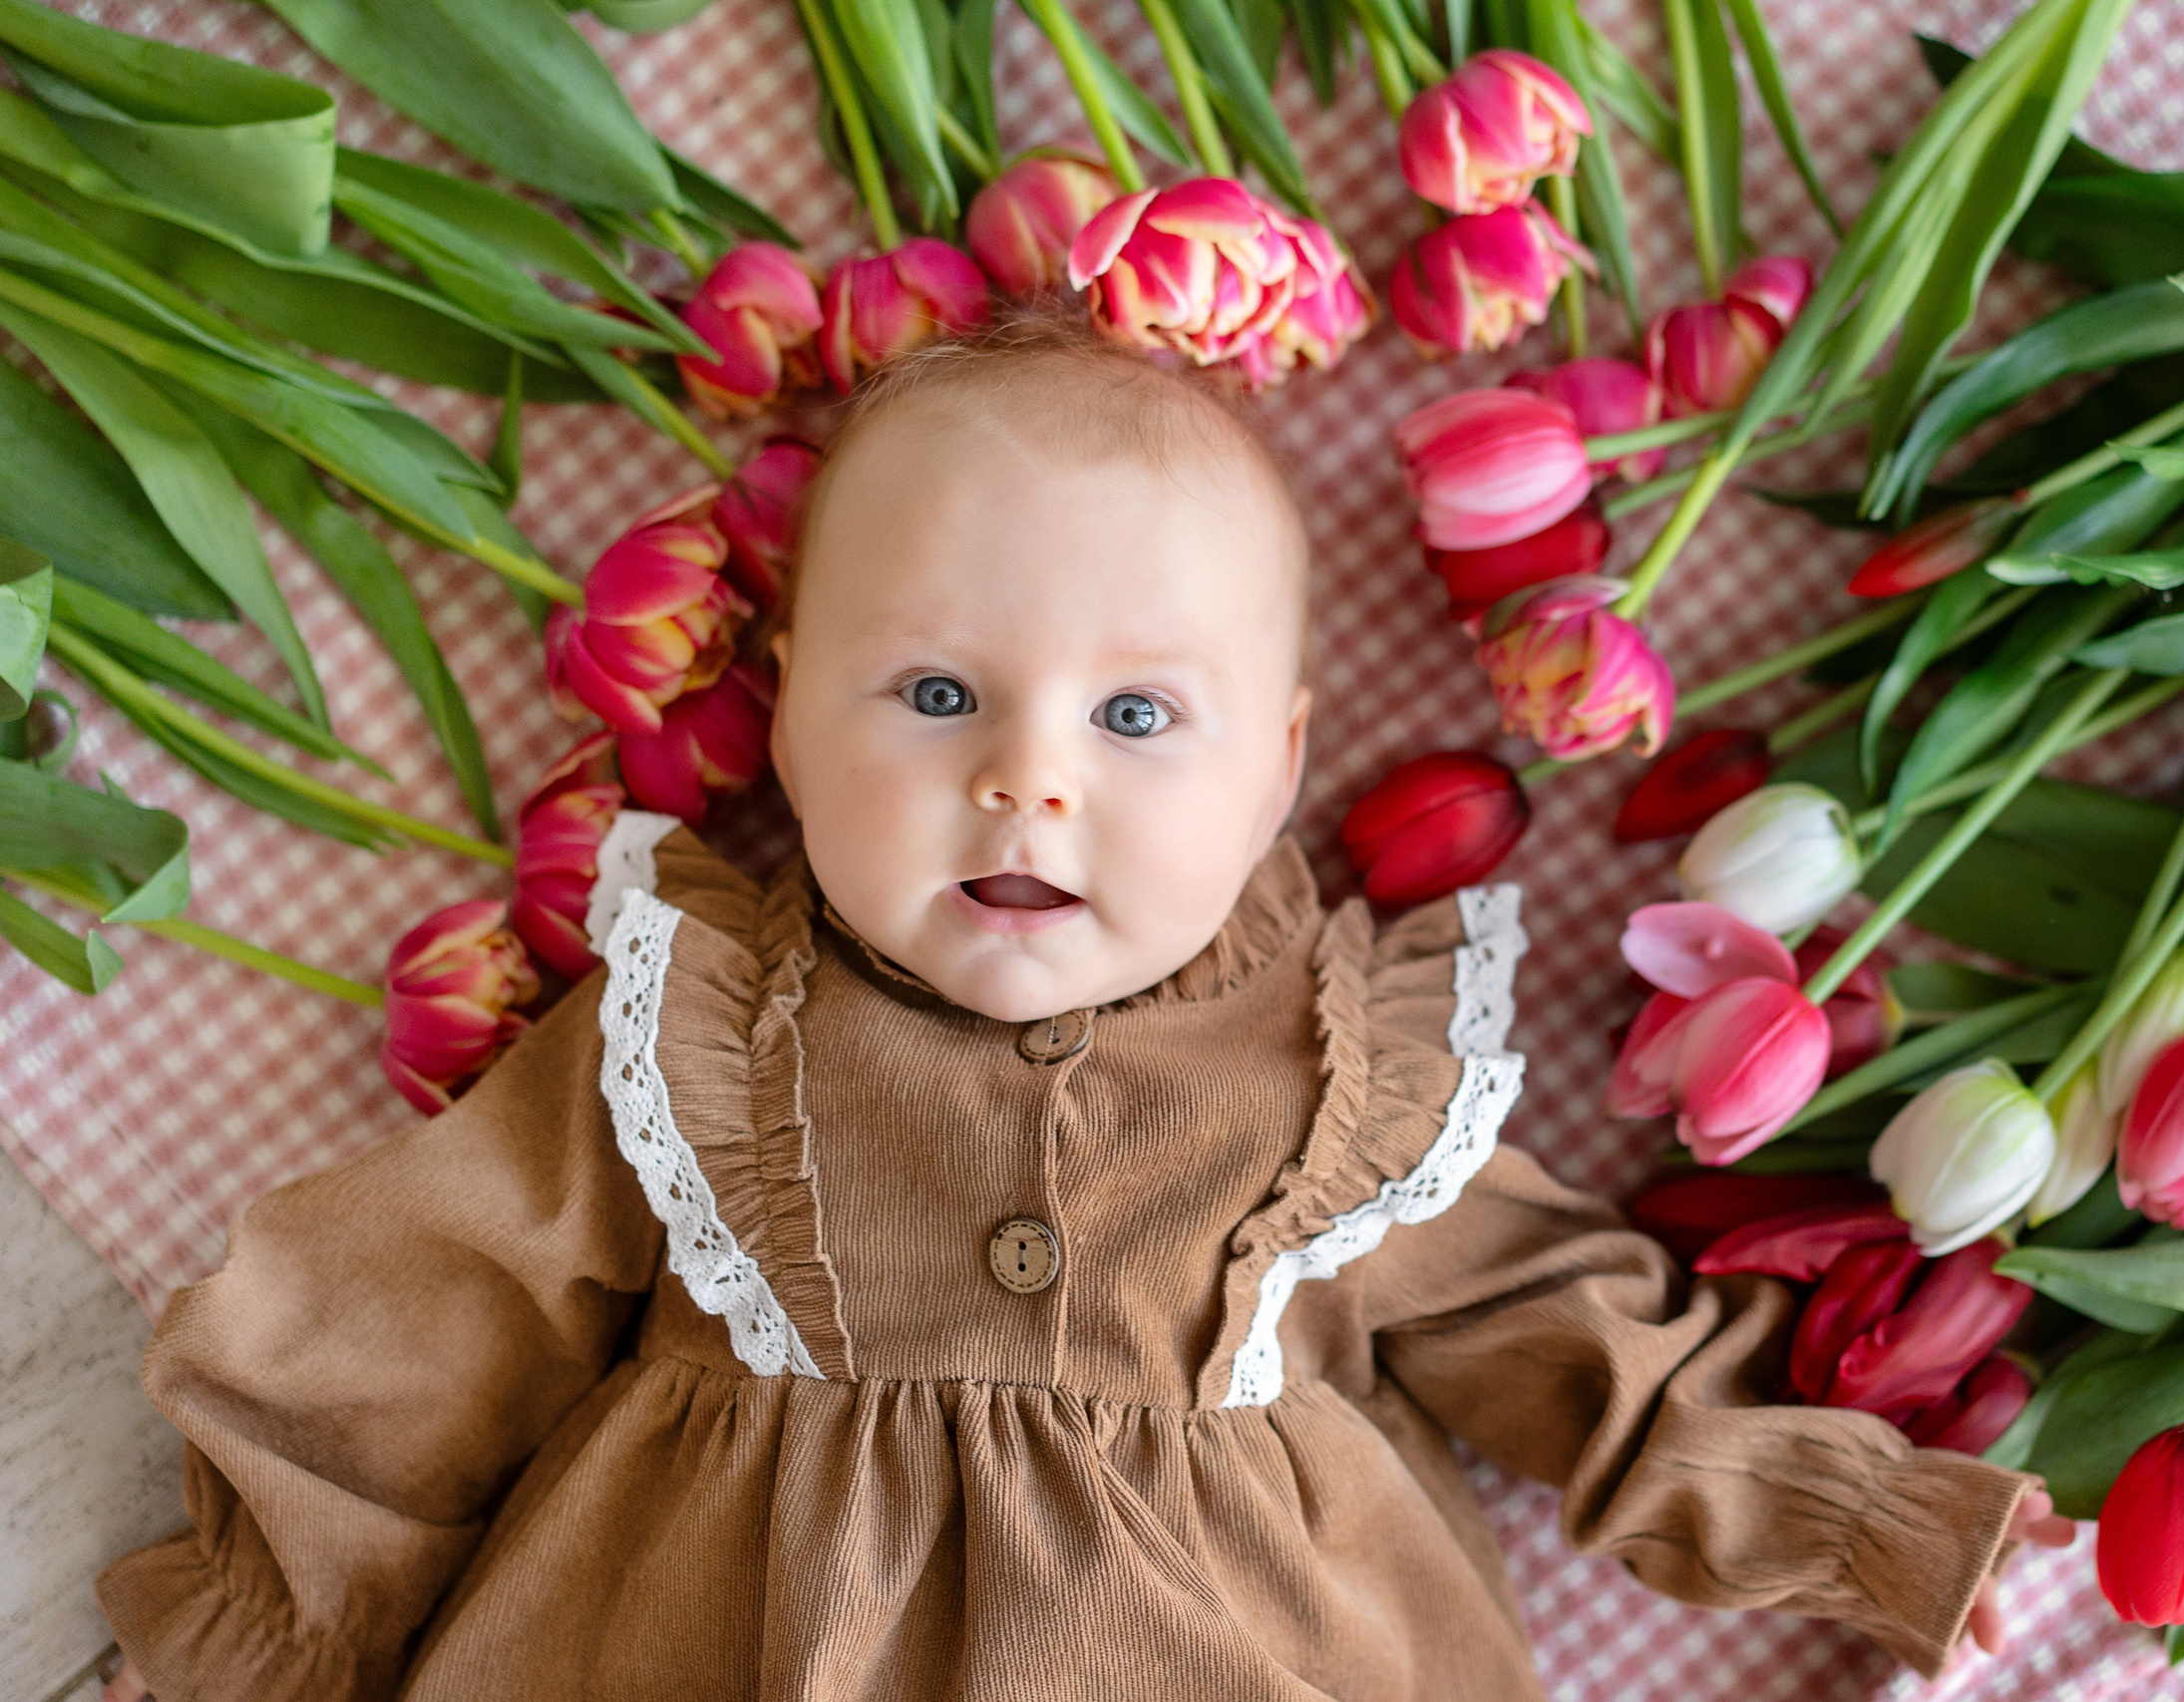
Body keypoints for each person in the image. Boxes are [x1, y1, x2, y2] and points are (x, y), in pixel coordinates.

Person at [99, 311, 2070, 1702]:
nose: (1026, 779)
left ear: (1277, 767)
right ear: (782, 708)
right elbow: (423, 1313)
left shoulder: (1343, 1074)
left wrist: (1865, 1524)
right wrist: (286, 1622)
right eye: (937, 693)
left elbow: (1570, 1339)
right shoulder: (693, 1035)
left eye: (1135, 715)